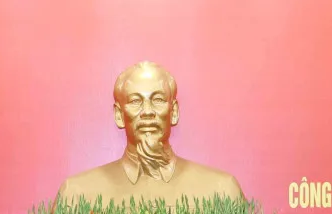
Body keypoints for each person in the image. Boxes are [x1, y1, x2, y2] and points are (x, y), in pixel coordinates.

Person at [58, 61, 244, 206]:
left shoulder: (222, 192)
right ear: (119, 115)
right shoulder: (76, 195)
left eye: (158, 100)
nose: (147, 111)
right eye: (135, 101)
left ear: (174, 111)